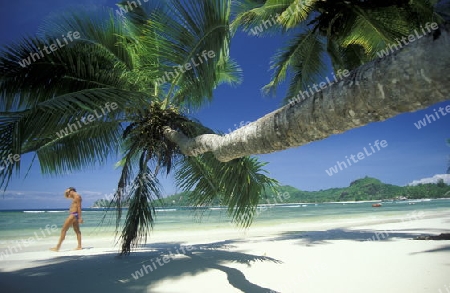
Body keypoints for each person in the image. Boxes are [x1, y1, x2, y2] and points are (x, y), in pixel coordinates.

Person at [50, 187, 83, 251]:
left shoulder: (77, 196)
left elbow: (79, 207)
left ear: (71, 191)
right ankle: (79, 246)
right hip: (74, 215)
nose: (68, 194)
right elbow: (68, 197)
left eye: (68, 192)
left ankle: (57, 247)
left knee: (63, 230)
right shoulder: (75, 197)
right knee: (77, 231)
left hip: (73, 215)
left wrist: (80, 218)